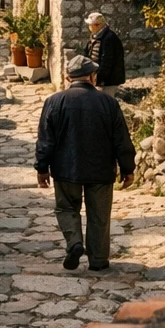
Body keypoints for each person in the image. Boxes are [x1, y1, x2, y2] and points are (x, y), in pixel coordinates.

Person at [36, 55, 135, 271]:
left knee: (66, 208)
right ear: (92, 76)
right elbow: (121, 139)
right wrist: (128, 168)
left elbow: (46, 140)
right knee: (99, 215)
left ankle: (74, 243)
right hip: (100, 170)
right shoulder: (108, 103)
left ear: (67, 77)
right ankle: (98, 260)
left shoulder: (53, 102)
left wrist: (42, 168)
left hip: (65, 169)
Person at [84, 12, 125, 97]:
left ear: (99, 25)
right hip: (97, 77)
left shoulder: (109, 38)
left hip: (108, 81)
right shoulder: (95, 36)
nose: (90, 27)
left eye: (92, 25)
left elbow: (107, 62)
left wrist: (99, 79)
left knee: (106, 102)